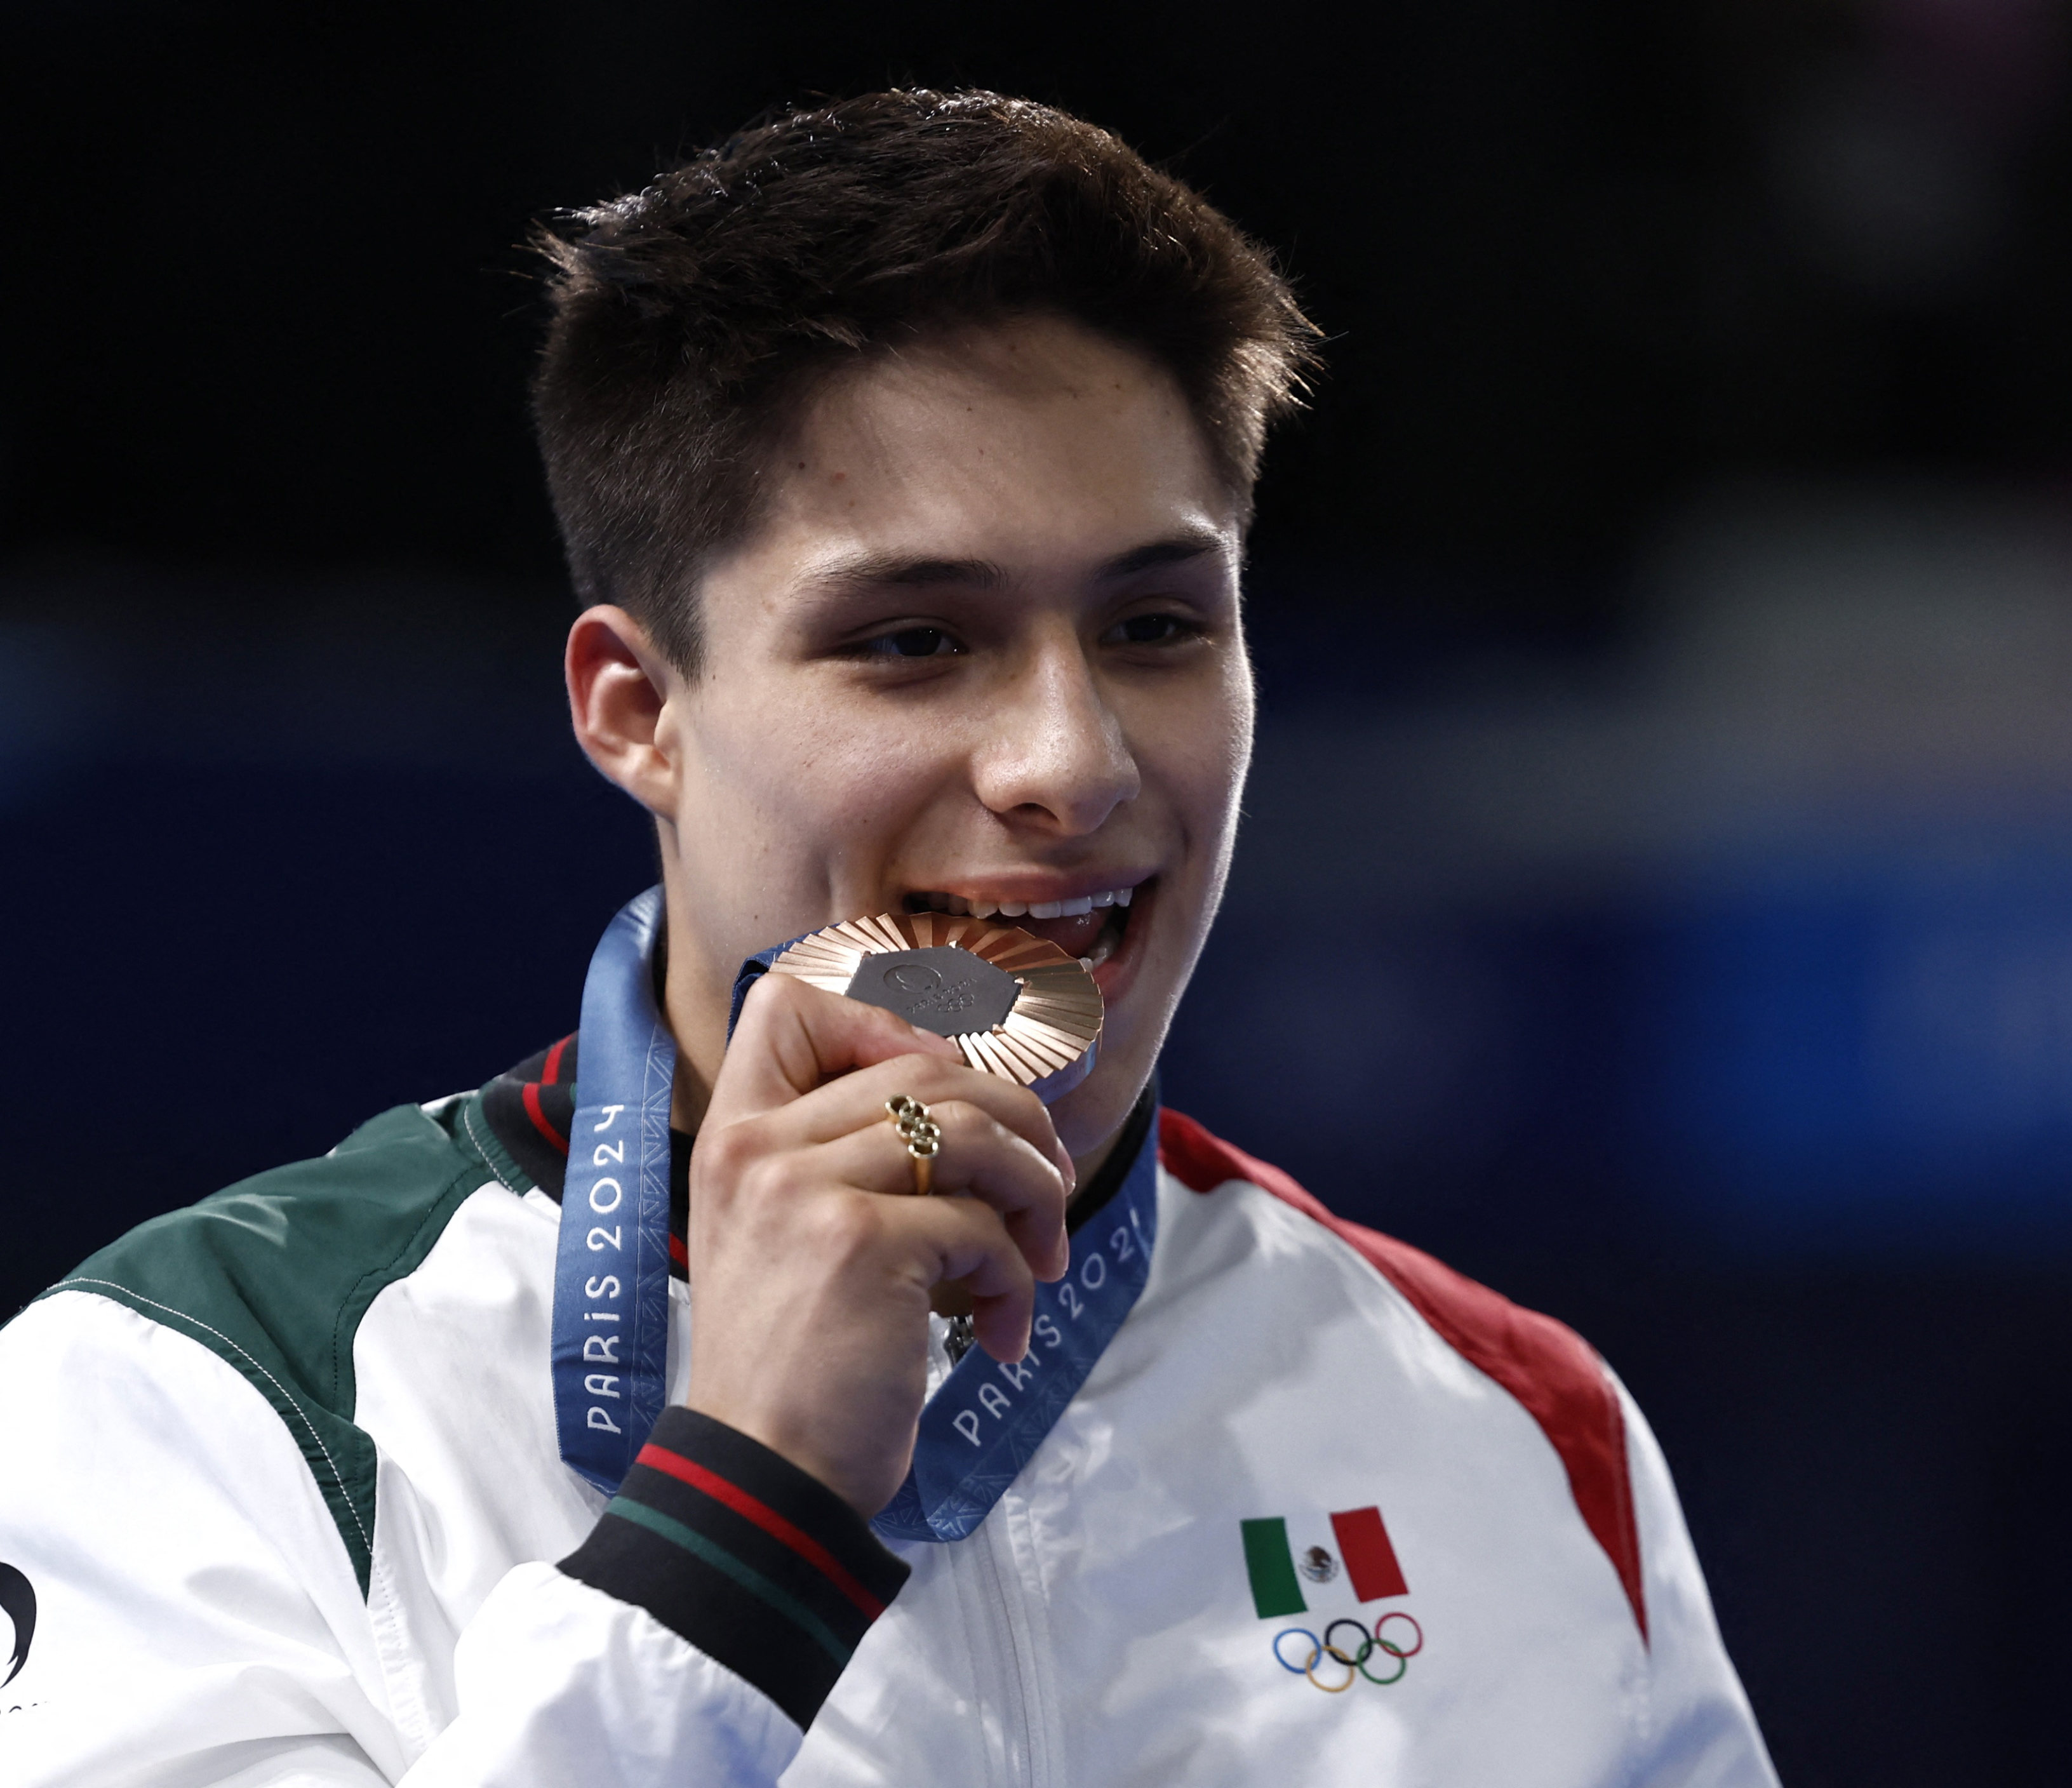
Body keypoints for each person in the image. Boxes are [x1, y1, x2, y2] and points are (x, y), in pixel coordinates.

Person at [0, 91, 1776, 1785]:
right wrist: (741, 1521)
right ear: (640, 712)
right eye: (916, 642)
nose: (1070, 768)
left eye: (1157, 625)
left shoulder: (1518, 1426)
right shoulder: (199, 1401)